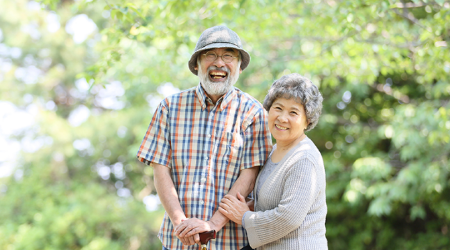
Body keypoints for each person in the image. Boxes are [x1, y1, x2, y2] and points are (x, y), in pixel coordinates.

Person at [136, 25, 273, 250]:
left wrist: (211, 225)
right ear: (197, 64)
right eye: (210, 55)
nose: (219, 63)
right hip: (178, 241)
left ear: (239, 66)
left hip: (232, 242)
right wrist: (181, 223)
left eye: (228, 56)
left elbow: (250, 175)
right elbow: (160, 170)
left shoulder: (254, 112)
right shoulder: (169, 108)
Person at [218, 73, 327, 249]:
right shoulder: (274, 151)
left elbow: (288, 218)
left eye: (293, 112)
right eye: (278, 108)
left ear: (307, 121)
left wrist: (244, 217)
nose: (283, 118)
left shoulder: (304, 158)